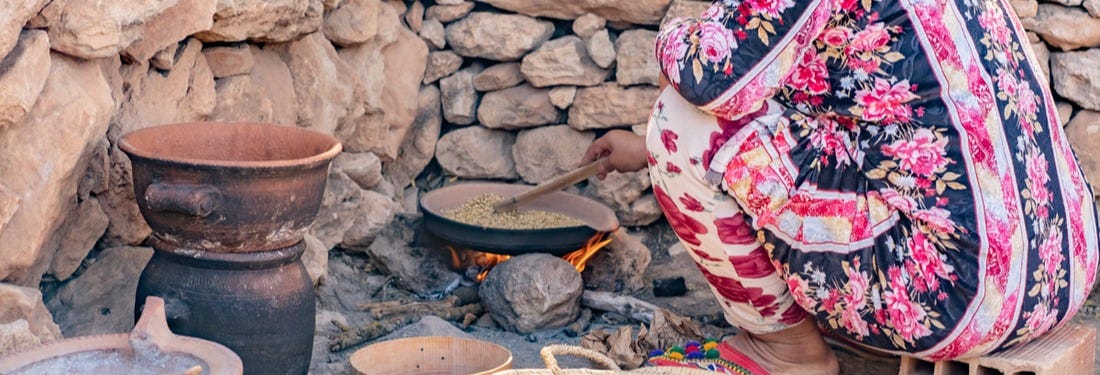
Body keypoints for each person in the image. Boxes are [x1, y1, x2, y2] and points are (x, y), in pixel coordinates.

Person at [582, 0, 1100, 374]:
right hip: (1060, 268)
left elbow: (712, 77)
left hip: (961, 295)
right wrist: (640, 145)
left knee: (678, 120)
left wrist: (677, 27)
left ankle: (790, 354)